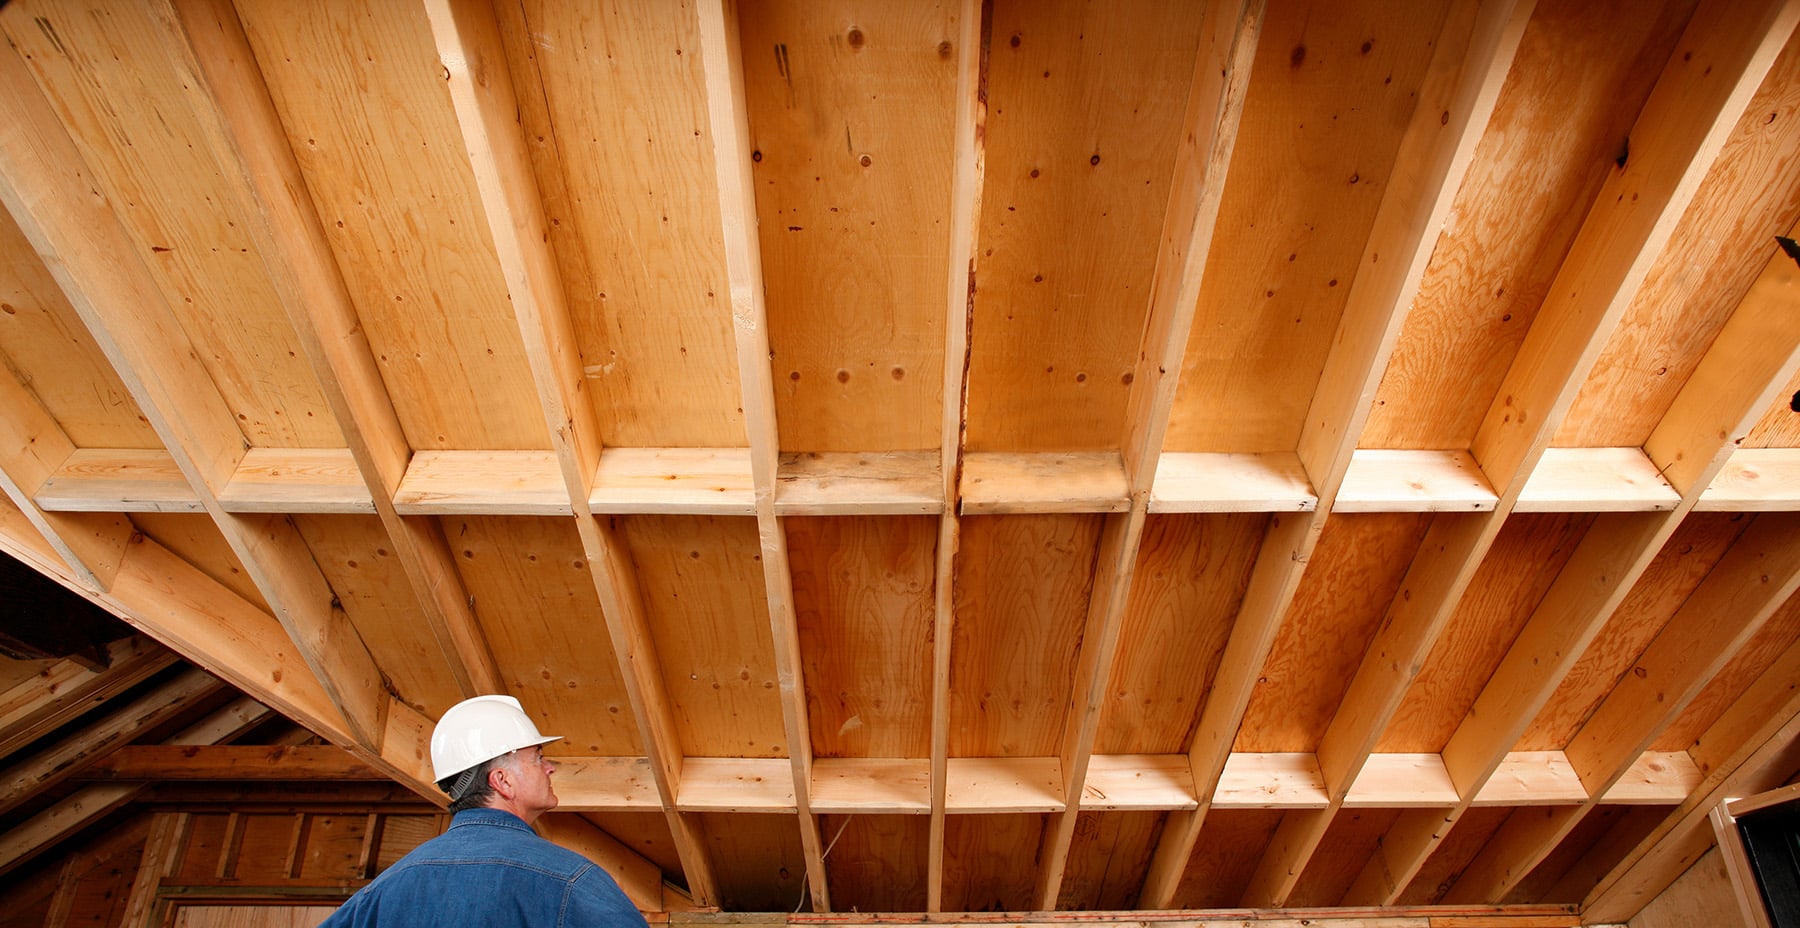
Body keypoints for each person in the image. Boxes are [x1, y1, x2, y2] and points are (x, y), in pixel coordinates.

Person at [318, 694, 651, 928]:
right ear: (502, 781)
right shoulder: (570, 879)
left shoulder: (389, 886)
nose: (549, 767)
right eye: (537, 757)